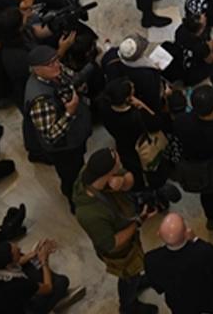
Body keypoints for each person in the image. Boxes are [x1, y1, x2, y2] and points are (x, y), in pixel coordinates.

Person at [73, 147, 159, 314]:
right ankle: (128, 305)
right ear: (107, 174)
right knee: (128, 276)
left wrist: (123, 181)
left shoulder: (94, 173)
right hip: (121, 252)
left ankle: (136, 280)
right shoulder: (89, 214)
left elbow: (129, 177)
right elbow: (111, 243)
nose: (120, 165)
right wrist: (138, 222)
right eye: (117, 165)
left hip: (126, 229)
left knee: (135, 273)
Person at [23, 44, 93, 209]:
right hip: (64, 147)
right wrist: (69, 112)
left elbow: (72, 78)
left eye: (56, 60)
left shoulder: (55, 72)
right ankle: (75, 201)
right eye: (50, 64)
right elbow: (50, 135)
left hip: (75, 133)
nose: (57, 65)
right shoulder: (39, 100)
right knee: (70, 175)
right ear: (36, 69)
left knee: (79, 164)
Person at [144, 212, 213, 314]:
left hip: (181, 305)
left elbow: (158, 287)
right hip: (211, 298)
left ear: (159, 234)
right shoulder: (203, 251)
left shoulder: (151, 259)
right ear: (186, 233)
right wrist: (196, 239)